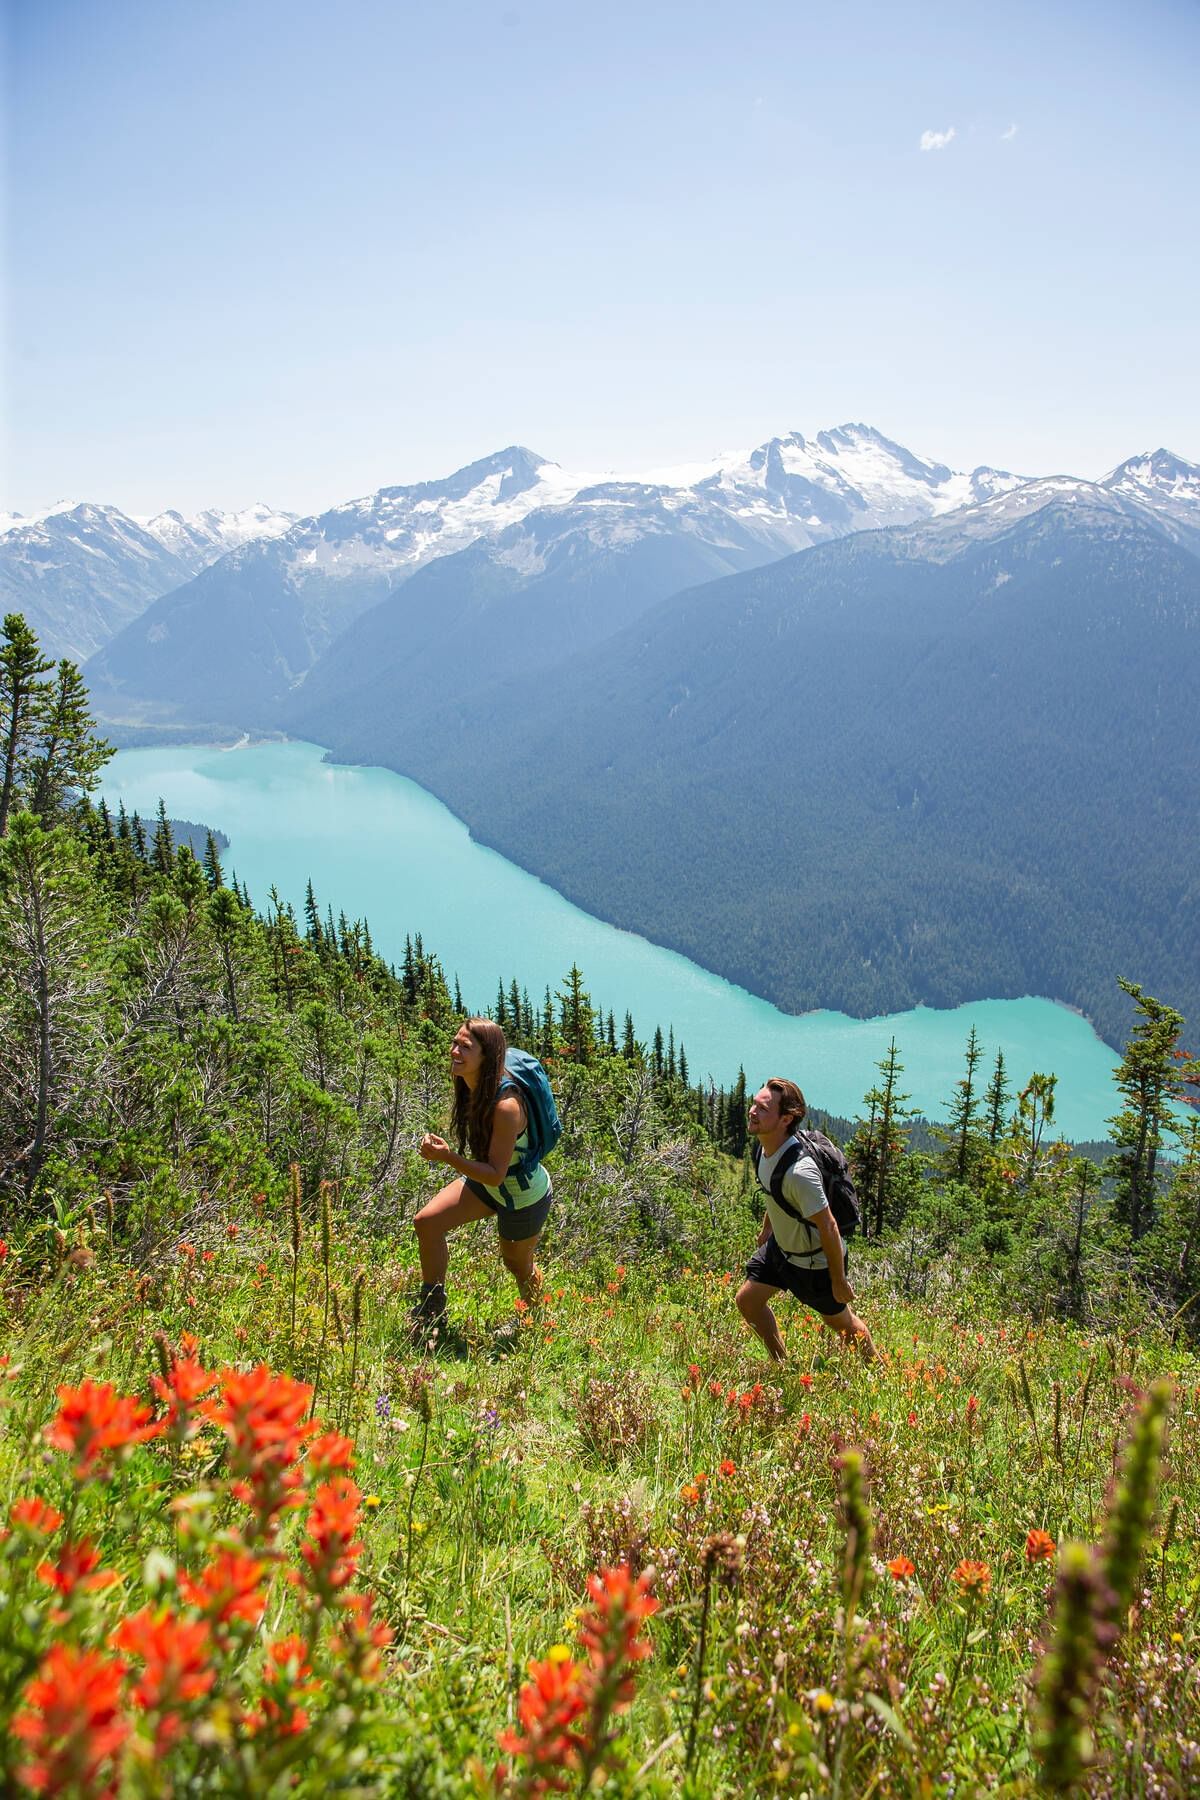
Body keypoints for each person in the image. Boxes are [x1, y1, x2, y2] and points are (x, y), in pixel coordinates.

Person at [410, 1017, 552, 1337]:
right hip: (494, 1183)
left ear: (486, 1057)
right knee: (427, 1222)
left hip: (521, 1194)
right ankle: (432, 1307)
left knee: (517, 1264)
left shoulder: (506, 1106)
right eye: (455, 1043)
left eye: (465, 1047)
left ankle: (535, 1323)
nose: (454, 1051)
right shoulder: (472, 1083)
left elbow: (495, 1175)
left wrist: (448, 1157)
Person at [736, 1077, 875, 1362]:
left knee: (843, 1325)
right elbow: (773, 1192)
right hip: (781, 1249)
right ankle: (781, 1364)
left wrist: (838, 1280)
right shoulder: (764, 1147)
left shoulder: (800, 1173)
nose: (752, 1112)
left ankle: (881, 1373)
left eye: (762, 1109)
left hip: (815, 1264)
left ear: (786, 1118)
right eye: (754, 1104)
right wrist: (767, 1230)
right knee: (748, 1301)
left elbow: (828, 1225)